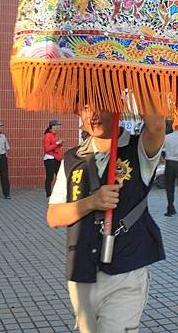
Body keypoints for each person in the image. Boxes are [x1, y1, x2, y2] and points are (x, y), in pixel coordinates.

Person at [46, 105, 165, 333]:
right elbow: (54, 216)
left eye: (101, 106)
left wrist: (138, 80)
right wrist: (91, 202)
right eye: (86, 108)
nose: (93, 115)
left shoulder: (139, 147)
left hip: (126, 272)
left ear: (116, 107)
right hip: (82, 271)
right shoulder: (72, 158)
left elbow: (157, 125)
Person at [43, 119, 63, 197]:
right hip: (49, 158)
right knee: (50, 177)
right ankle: (48, 194)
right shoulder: (48, 135)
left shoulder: (54, 135)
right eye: (57, 125)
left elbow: (55, 147)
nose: (58, 127)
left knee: (60, 176)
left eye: (59, 125)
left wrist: (60, 144)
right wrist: (57, 143)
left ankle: (59, 194)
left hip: (57, 158)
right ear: (52, 126)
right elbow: (47, 149)